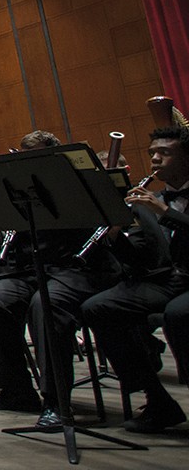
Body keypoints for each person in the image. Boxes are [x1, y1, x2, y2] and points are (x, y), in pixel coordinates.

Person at [0, 130, 119, 418]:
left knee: (47, 306)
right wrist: (0, 223)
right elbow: (2, 243)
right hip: (31, 269)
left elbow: (99, 231)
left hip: (74, 268)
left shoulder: (74, 187)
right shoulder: (20, 192)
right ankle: (17, 391)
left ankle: (55, 399)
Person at [81, 125, 189, 433]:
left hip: (184, 282)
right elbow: (142, 255)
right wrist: (115, 234)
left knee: (178, 314)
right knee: (98, 307)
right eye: (152, 153)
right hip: (169, 279)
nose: (155, 160)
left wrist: (166, 212)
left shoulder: (159, 204)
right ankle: (157, 398)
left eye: (164, 153)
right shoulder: (153, 199)